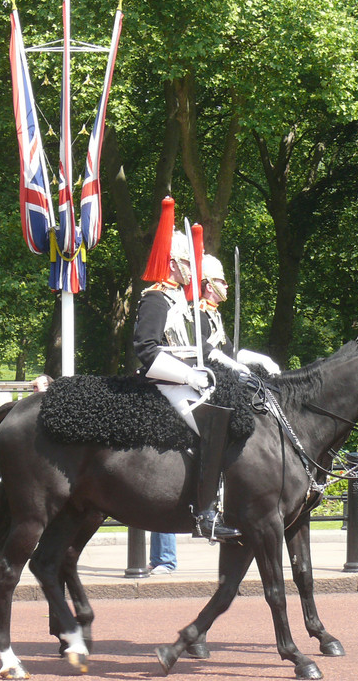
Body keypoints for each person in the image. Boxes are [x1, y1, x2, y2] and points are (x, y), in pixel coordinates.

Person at [133, 197, 240, 543]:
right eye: (188, 265)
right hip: (167, 382)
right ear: (174, 264)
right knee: (212, 427)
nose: (193, 272)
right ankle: (206, 514)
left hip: (189, 380)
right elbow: (146, 350)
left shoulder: (179, 300)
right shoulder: (155, 298)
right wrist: (189, 375)